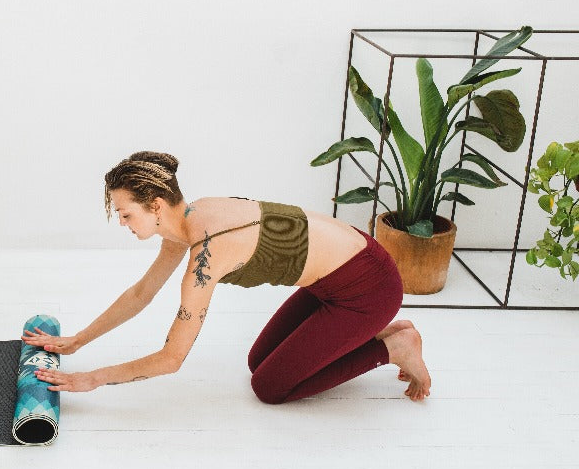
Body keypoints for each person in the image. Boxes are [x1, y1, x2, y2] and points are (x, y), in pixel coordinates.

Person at [22, 151, 431, 403]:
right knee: (258, 362)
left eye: (127, 213)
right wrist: (78, 340)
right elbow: (143, 292)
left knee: (269, 389)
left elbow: (171, 359)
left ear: (157, 205)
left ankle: (393, 347)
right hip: (338, 275)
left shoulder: (207, 254)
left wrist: (91, 379)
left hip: (368, 290)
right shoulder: (190, 217)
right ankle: (373, 333)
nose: (123, 222)